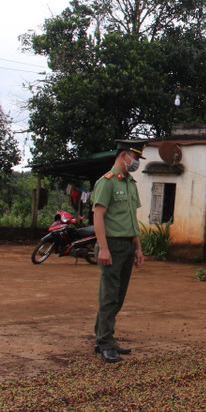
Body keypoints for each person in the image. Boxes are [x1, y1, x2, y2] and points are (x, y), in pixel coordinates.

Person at [92, 140, 148, 363]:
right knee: (109, 295)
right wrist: (103, 248)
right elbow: (98, 216)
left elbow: (132, 219)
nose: (136, 163)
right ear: (124, 155)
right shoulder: (106, 182)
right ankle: (106, 343)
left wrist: (138, 248)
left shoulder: (131, 183)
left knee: (118, 296)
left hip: (127, 245)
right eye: (135, 158)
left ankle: (102, 338)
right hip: (112, 245)